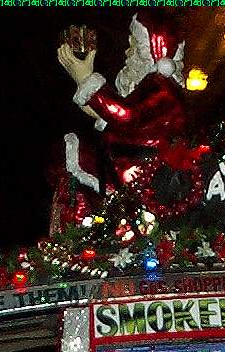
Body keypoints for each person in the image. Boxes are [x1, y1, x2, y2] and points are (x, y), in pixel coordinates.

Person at [50, 12, 188, 231]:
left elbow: (127, 116)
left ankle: (79, 235)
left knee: (76, 162)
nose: (127, 52)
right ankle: (80, 235)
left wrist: (88, 79)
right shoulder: (150, 86)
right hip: (128, 173)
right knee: (74, 157)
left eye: (133, 47)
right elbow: (120, 119)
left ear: (149, 50)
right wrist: (82, 81)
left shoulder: (161, 87)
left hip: (144, 179)